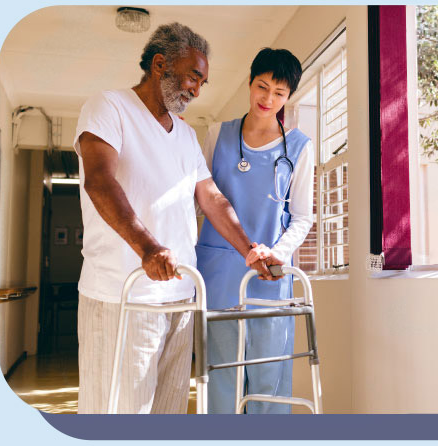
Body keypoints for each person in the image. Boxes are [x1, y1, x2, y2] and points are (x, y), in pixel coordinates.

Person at [74, 23, 264, 414]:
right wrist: (147, 247)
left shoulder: (185, 135)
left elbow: (210, 197)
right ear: (159, 64)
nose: (197, 90)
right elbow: (99, 181)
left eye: (203, 83)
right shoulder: (109, 107)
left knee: (169, 413)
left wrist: (250, 250)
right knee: (119, 414)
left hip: (179, 298)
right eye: (194, 76)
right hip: (122, 295)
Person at [196, 48, 314, 414]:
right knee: (220, 373)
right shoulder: (218, 134)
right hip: (218, 274)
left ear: (289, 96)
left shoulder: (299, 147)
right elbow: (200, 200)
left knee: (268, 374)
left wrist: (277, 252)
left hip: (269, 274)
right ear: (249, 83)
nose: (268, 99)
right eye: (262, 87)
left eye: (279, 93)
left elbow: (302, 216)